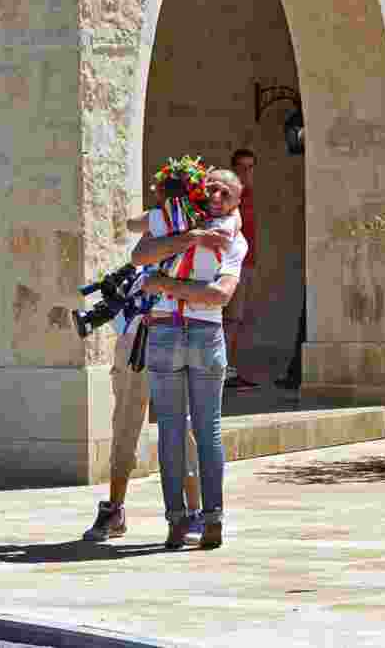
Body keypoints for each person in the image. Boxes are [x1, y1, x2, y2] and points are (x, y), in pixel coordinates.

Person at [82, 177, 208, 545]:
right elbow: (135, 239)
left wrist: (190, 226)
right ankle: (115, 508)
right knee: (125, 419)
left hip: (179, 331)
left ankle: (194, 511)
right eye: (166, 196)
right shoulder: (159, 227)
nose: (168, 201)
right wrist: (163, 218)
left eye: (176, 196)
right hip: (139, 332)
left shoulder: (210, 231)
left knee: (182, 421)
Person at [133, 168, 247, 550]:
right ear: (198, 189)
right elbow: (140, 255)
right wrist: (192, 237)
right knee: (173, 430)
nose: (216, 195)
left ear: (237, 201)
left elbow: (220, 295)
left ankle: (208, 518)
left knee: (202, 430)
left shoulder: (234, 239)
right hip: (173, 332)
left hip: (196, 333)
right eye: (211, 187)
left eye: (226, 192)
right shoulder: (177, 222)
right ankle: (179, 520)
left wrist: (166, 285)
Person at [224, 149, 259, 391]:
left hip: (247, 263)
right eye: (242, 167)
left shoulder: (250, 195)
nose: (246, 173)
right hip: (233, 265)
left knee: (236, 320)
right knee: (231, 319)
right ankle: (223, 371)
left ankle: (228, 368)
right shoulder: (230, 197)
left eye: (251, 167)